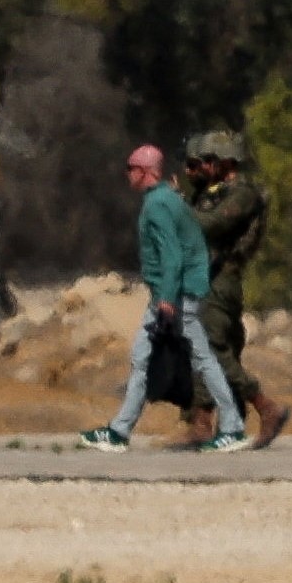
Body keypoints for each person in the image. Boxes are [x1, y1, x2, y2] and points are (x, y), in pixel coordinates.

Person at [77, 143, 244, 453]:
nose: (127, 174)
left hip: (177, 296)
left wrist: (167, 297)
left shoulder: (157, 205)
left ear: (143, 172)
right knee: (142, 358)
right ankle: (119, 431)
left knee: (202, 359)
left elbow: (172, 254)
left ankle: (232, 426)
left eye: (130, 168)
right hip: (172, 293)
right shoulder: (166, 199)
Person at [180, 130, 291, 452]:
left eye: (208, 161)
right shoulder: (209, 193)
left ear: (226, 162)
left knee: (214, 350)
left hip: (222, 279)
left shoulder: (242, 195)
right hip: (204, 277)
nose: (201, 167)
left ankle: (266, 406)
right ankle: (201, 423)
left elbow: (212, 225)